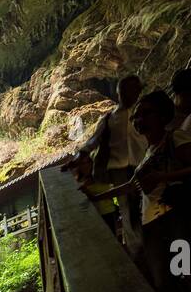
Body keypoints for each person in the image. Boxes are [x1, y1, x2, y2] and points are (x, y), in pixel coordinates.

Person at [96, 89, 191, 292]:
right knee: (162, 279)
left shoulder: (175, 137)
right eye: (136, 116)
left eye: (146, 113)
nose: (139, 120)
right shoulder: (148, 152)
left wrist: (163, 178)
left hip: (177, 213)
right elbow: (131, 186)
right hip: (152, 221)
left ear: (163, 115)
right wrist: (96, 198)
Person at [62, 73, 146, 260]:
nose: (128, 93)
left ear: (139, 91)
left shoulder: (144, 113)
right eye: (124, 89)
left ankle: (151, 246)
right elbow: (92, 141)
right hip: (119, 171)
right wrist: (78, 157)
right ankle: (137, 253)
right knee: (127, 210)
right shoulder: (109, 118)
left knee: (146, 206)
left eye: (133, 89)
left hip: (146, 166)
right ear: (118, 92)